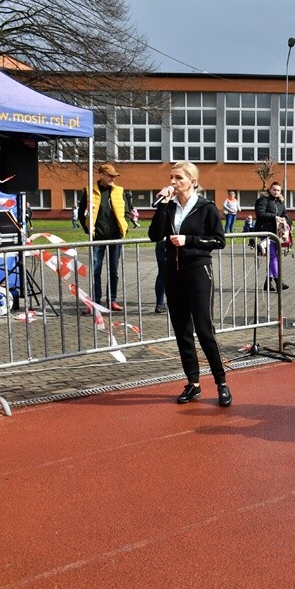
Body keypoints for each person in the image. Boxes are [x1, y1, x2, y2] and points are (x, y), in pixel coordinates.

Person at [148, 161, 231, 407]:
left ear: (193, 181)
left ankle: (221, 381)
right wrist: (162, 205)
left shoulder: (206, 207)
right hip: (173, 273)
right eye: (171, 177)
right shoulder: (169, 205)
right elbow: (154, 235)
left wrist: (190, 240)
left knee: (204, 329)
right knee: (182, 330)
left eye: (179, 178)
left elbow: (219, 241)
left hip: (197, 271)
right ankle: (193, 383)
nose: (173, 182)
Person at [78, 163, 128, 313]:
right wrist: (88, 229)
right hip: (97, 237)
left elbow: (126, 210)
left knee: (113, 270)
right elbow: (81, 213)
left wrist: (123, 227)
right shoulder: (89, 191)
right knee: (95, 271)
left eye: (114, 176)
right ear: (101, 175)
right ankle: (95, 303)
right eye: (110, 175)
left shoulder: (119, 191)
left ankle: (112, 300)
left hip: (115, 237)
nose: (113, 178)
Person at [255, 181, 290, 291]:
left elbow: (285, 214)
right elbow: (260, 214)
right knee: (274, 256)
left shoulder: (280, 202)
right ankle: (278, 281)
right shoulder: (263, 200)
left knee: (274, 257)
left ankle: (268, 283)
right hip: (265, 231)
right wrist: (274, 217)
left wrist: (286, 220)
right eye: (274, 189)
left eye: (278, 190)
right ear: (269, 190)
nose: (276, 192)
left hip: (276, 233)